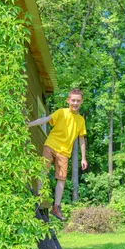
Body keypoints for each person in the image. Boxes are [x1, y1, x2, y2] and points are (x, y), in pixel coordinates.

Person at [27, 88, 88, 221]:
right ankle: (39, 197)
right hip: (51, 145)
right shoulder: (61, 112)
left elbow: (81, 139)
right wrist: (29, 124)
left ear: (81, 102)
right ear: (68, 100)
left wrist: (83, 158)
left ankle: (56, 206)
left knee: (61, 178)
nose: (75, 103)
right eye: (73, 100)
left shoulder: (81, 120)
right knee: (43, 169)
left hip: (64, 152)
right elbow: (46, 119)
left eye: (78, 101)